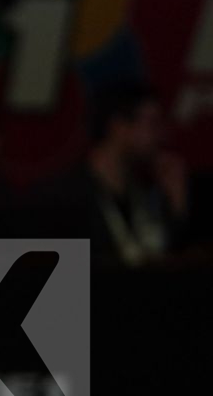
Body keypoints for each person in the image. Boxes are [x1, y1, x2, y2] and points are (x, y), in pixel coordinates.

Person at [19, 80, 186, 266]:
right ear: (119, 127)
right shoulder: (63, 197)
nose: (161, 135)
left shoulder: (145, 194)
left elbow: (163, 255)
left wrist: (176, 206)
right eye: (152, 124)